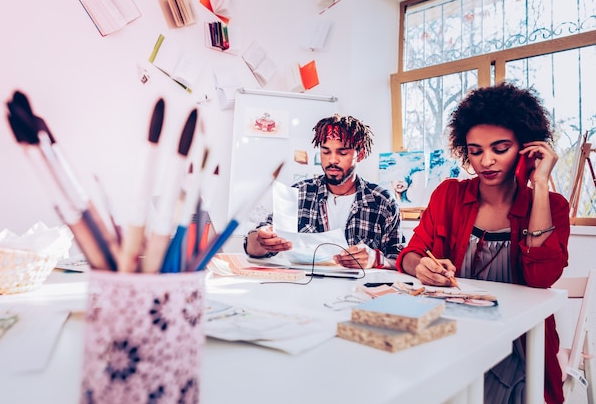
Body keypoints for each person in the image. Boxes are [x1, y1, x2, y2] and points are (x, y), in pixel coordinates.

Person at [396, 83, 570, 404]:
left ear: (525, 148)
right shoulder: (449, 195)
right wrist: (420, 266)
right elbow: (409, 255)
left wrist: (540, 183)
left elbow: (541, 279)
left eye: (500, 149)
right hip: (451, 335)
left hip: (516, 344)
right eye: (475, 151)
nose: (486, 161)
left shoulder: (552, 206)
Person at [244, 114, 403, 269]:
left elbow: (400, 259)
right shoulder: (299, 193)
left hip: (358, 292)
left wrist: (376, 259)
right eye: (326, 152)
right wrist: (261, 240)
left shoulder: (383, 202)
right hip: (304, 290)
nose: (332, 160)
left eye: (342, 152)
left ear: (360, 155)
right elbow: (252, 246)